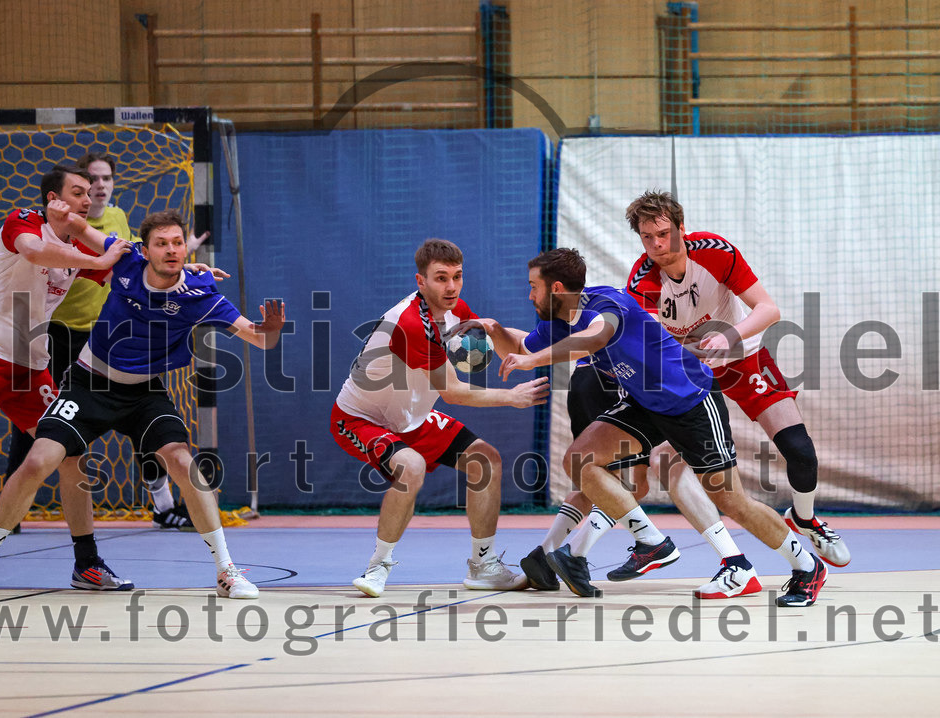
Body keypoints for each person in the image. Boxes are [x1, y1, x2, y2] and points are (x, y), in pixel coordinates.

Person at [0, 209, 284, 599]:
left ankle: (226, 570)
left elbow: (259, 339)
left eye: (177, 242)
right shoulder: (125, 260)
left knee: (183, 462)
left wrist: (270, 331)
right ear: (147, 248)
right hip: (89, 384)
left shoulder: (200, 295)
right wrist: (61, 210)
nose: (171, 250)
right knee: (39, 459)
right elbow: (78, 227)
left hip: (145, 393)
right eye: (162, 243)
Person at [498, 248, 827, 607]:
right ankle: (651, 540)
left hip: (690, 399)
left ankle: (808, 567)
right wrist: (490, 329)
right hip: (644, 402)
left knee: (732, 501)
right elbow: (517, 346)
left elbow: (595, 338)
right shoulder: (555, 322)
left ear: (556, 287)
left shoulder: (607, 302)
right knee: (580, 460)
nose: (529, 295)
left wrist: (531, 359)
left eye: (533, 287)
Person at [0, 165, 133, 588]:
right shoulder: (24, 221)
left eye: (90, 192)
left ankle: (86, 563)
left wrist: (187, 272)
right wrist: (99, 256)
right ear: (54, 198)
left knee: (73, 455)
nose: (89, 200)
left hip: (31, 369)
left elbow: (127, 266)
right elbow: (35, 252)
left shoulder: (77, 247)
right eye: (78, 192)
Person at [623, 190, 849, 568]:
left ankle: (805, 519)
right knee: (668, 466)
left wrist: (729, 335)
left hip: (743, 357)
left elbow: (769, 309)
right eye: (648, 238)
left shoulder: (716, 252)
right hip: (690, 373)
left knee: (800, 449)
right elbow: (651, 348)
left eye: (663, 233)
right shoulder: (642, 281)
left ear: (682, 228)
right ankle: (729, 559)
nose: (657, 245)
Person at [3, 151, 210, 531]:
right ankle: (11, 509)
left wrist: (183, 262)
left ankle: (163, 506)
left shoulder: (114, 220)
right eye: (89, 182)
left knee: (145, 418)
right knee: (40, 421)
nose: (98, 187)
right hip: (59, 332)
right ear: (64, 195)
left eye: (104, 180)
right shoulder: (52, 227)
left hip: (107, 335)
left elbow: (142, 256)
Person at [331, 239, 549, 597]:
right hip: (359, 418)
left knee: (486, 460)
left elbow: (508, 341)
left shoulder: (455, 310)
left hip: (412, 417)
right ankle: (377, 568)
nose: (451, 287)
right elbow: (453, 392)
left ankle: (483, 565)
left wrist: (565, 349)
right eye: (441, 278)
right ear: (421, 281)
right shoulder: (411, 324)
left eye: (457, 277)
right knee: (411, 467)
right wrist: (512, 397)